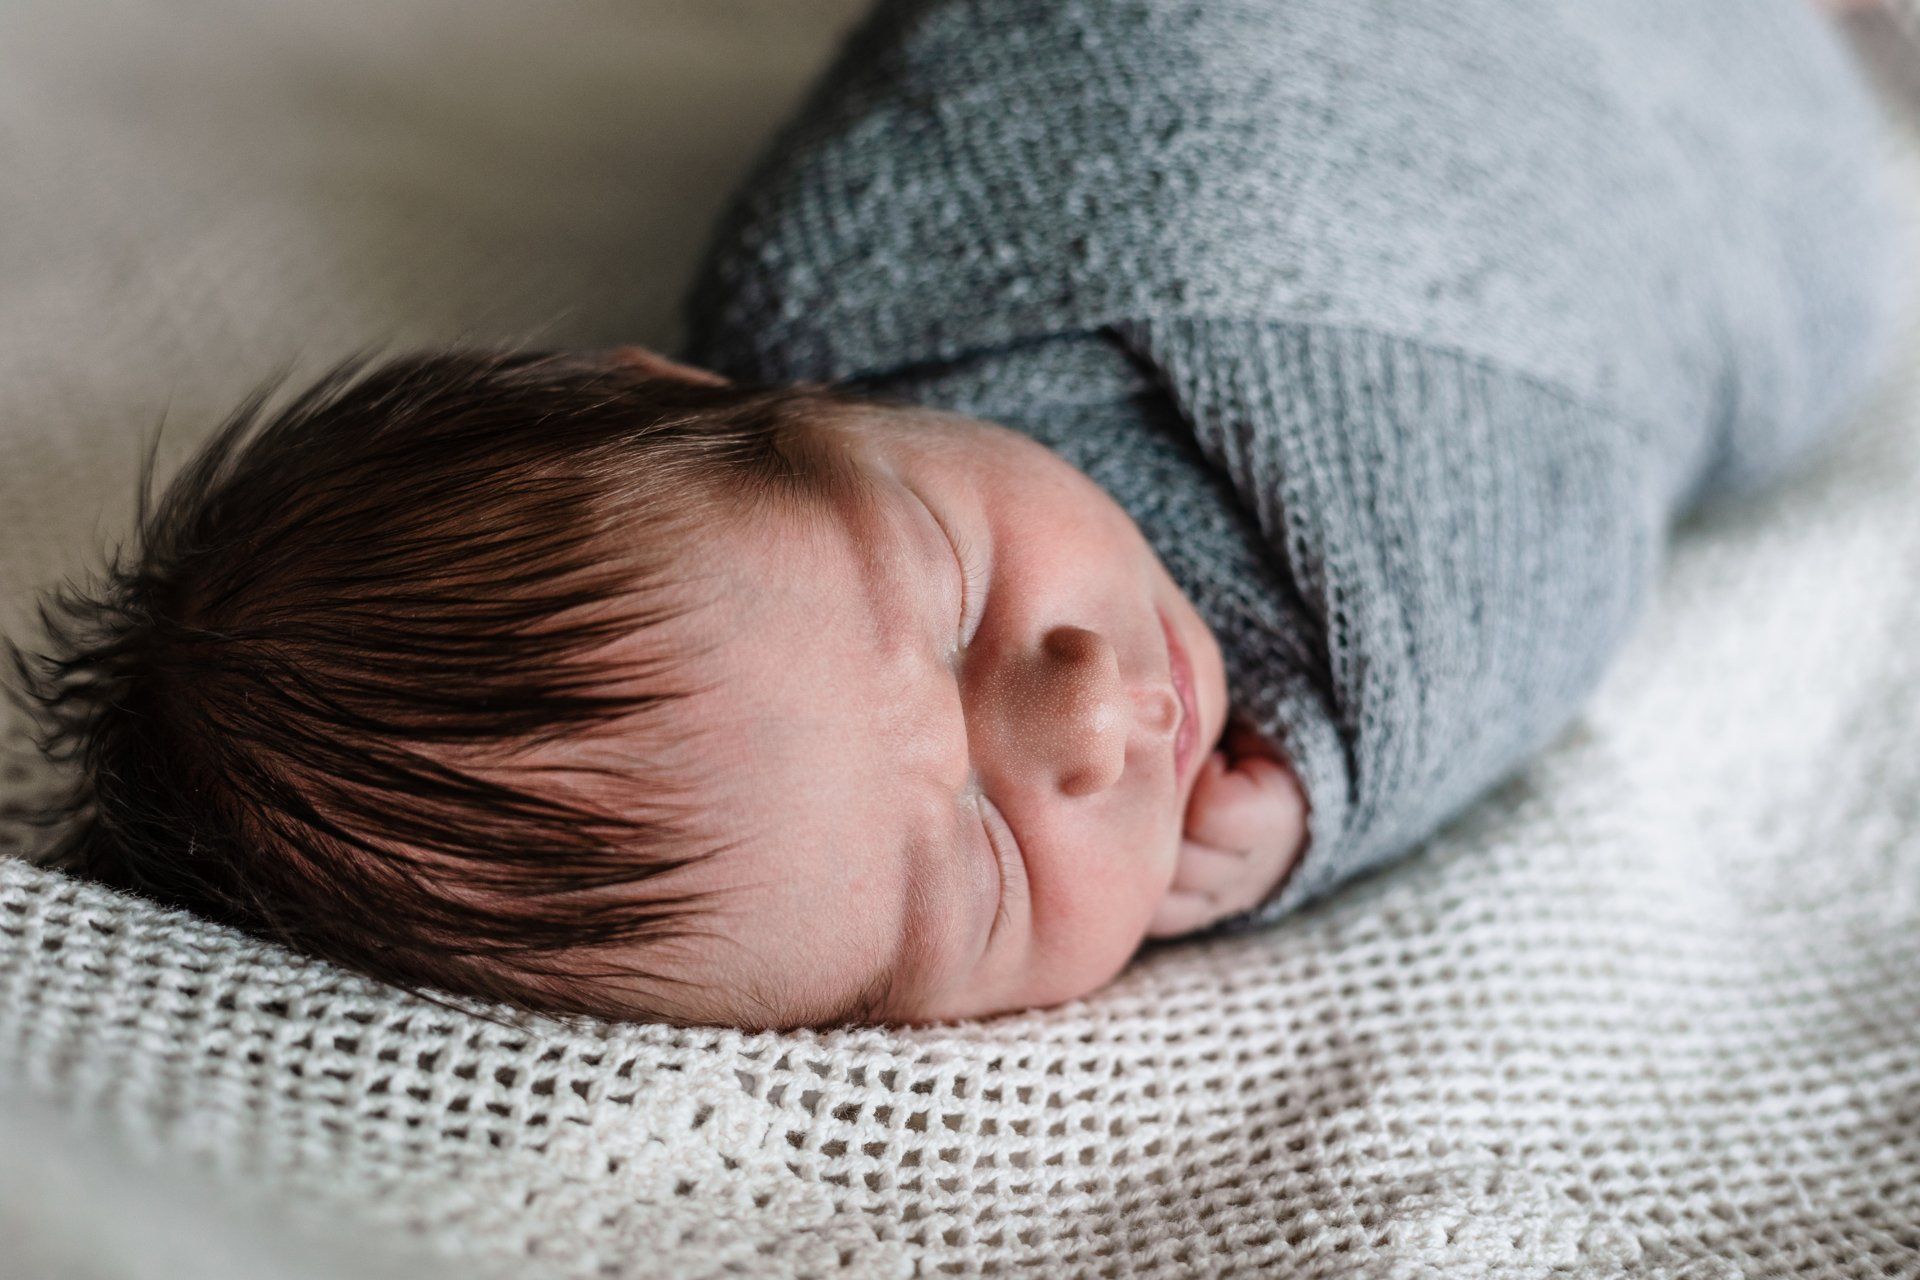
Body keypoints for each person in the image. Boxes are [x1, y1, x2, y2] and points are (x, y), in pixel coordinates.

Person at [8, 0, 1909, 1030]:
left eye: (940, 586)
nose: (1093, 721)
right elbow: (1552, 546)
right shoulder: (1340, 671)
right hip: (1704, 176)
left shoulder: (864, 267)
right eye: (984, 878)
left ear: (710, 392)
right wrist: (1341, 789)